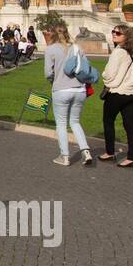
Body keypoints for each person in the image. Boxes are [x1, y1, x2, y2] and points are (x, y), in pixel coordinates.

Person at [43, 22, 93, 166]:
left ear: (52, 34)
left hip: (61, 90)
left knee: (61, 124)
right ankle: (86, 151)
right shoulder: (77, 48)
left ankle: (64, 156)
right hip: (79, 90)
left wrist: (53, 79)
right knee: (75, 122)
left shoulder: (51, 49)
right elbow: (86, 67)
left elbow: (48, 73)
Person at [99, 23, 133, 169]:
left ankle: (110, 152)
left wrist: (104, 77)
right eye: (113, 32)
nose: (114, 34)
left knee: (108, 121)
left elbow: (110, 74)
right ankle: (132, 157)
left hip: (118, 92)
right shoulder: (132, 51)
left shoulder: (118, 52)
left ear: (126, 37)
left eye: (117, 33)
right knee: (130, 125)